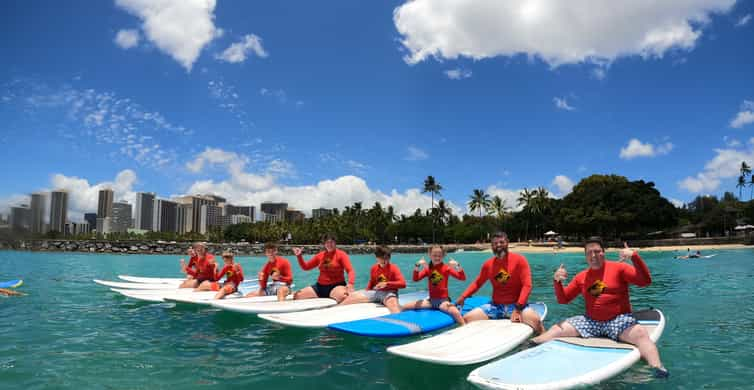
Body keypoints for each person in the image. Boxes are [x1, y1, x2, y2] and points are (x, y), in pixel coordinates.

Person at [532, 238, 669, 378]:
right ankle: (530, 345)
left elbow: (646, 281)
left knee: (640, 334)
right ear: (585, 257)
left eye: (597, 251)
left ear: (604, 253)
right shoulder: (581, 277)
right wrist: (557, 282)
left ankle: (658, 368)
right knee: (556, 329)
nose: (593, 256)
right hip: (590, 321)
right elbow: (563, 299)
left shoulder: (619, 268)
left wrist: (634, 256)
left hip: (617, 320)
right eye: (589, 253)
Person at [456, 232, 544, 333]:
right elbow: (477, 283)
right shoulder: (488, 265)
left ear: (507, 243)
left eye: (501, 242)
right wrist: (463, 297)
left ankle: (544, 343)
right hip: (495, 306)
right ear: (492, 246)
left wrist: (518, 309)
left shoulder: (520, 260)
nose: (498, 245)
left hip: (517, 305)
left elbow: (527, 286)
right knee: (467, 318)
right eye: (495, 243)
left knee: (536, 321)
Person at [402, 245, 466, 325]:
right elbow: (416, 279)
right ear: (429, 255)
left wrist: (457, 266)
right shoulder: (428, 269)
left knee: (456, 313)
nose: (437, 258)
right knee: (405, 307)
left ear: (443, 256)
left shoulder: (446, 268)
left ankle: (465, 327)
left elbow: (462, 278)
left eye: (439, 256)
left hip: (443, 301)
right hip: (431, 301)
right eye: (434, 255)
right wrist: (417, 266)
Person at [340, 246, 405, 313]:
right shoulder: (374, 268)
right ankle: (335, 308)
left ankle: (400, 321)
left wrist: (387, 284)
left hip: (389, 293)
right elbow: (372, 281)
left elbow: (403, 284)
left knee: (394, 306)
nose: (385, 261)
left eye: (387, 258)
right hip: (376, 292)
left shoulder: (394, 268)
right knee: (352, 296)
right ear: (377, 257)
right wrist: (366, 290)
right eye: (382, 258)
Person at [292, 234, 354, 303]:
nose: (329, 244)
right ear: (324, 244)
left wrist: (350, 284)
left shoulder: (341, 255)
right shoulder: (320, 255)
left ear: (335, 243)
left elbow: (350, 270)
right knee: (297, 295)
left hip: (336, 286)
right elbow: (306, 267)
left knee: (343, 297)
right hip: (320, 287)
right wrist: (299, 256)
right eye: (327, 242)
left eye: (331, 242)